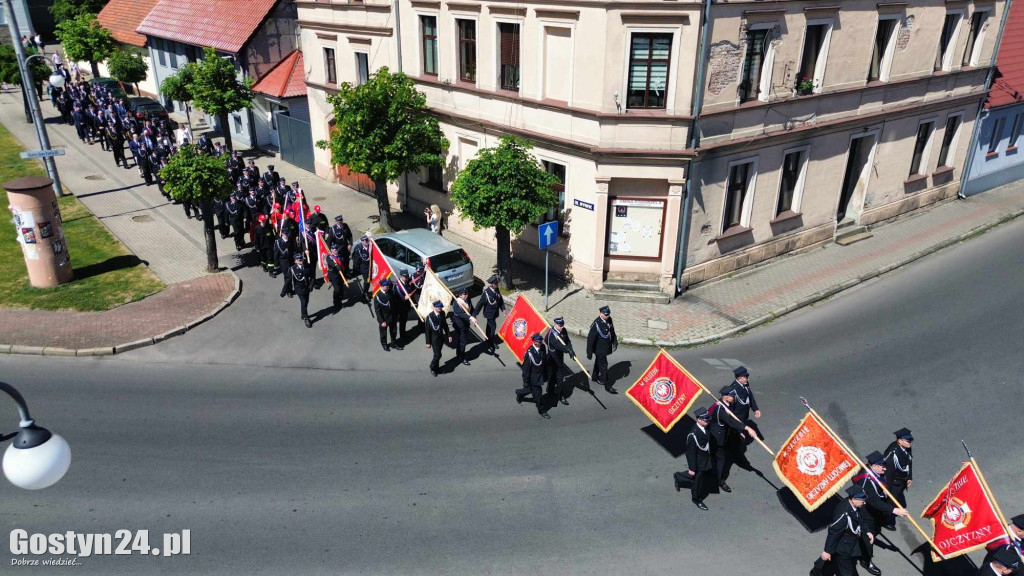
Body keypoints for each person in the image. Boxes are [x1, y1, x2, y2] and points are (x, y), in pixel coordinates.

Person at [854, 451, 910, 576]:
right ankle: (866, 560)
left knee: (875, 531)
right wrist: (894, 510)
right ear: (873, 466)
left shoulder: (876, 472)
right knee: (869, 537)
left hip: (876, 512)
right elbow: (873, 501)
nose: (885, 468)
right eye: (882, 466)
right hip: (866, 513)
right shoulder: (865, 480)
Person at [811, 486, 873, 576]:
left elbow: (860, 519)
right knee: (846, 572)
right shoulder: (844, 514)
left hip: (850, 541)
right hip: (843, 546)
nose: (864, 503)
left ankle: (817, 571)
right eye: (862, 500)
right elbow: (834, 532)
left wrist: (867, 531)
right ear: (853, 499)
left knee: (831, 562)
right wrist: (827, 551)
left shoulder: (855, 505)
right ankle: (818, 570)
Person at [707, 386, 756, 494]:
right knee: (720, 461)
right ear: (726, 397)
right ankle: (719, 481)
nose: (734, 397)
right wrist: (747, 428)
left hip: (725, 434)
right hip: (717, 439)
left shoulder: (728, 404)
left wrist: (739, 432)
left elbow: (733, 420)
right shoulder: (720, 410)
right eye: (732, 396)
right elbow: (731, 421)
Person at [674, 407, 714, 510]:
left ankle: (678, 476)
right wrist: (692, 468)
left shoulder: (705, 427)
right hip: (698, 461)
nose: (708, 421)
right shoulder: (693, 435)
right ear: (699, 420)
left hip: (705, 457)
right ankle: (696, 499)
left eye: (708, 419)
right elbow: (690, 453)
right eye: (706, 419)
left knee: (697, 476)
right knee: (697, 481)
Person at [882, 428, 913, 530]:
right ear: (900, 441)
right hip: (894, 482)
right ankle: (888, 521)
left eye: (910, 440)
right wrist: (887, 489)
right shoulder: (892, 453)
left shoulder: (906, 447)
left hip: (901, 481)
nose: (910, 443)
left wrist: (909, 476)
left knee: (901, 503)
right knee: (892, 502)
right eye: (908, 441)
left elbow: (909, 461)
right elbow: (888, 473)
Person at [516, 334, 550, 419]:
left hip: (540, 375)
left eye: (540, 341)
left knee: (529, 390)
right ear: (534, 342)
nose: (540, 343)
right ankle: (541, 410)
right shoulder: (529, 353)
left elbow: (544, 360)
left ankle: (519, 393)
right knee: (538, 394)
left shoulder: (542, 347)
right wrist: (526, 382)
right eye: (537, 342)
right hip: (533, 377)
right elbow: (526, 369)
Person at [586, 305, 618, 394]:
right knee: (604, 366)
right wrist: (589, 353)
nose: (607, 316)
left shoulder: (609, 319)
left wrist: (615, 341)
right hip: (599, 349)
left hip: (605, 347)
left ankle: (595, 376)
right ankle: (607, 385)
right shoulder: (596, 324)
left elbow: (612, 331)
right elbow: (590, 339)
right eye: (606, 314)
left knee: (598, 362)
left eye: (608, 314)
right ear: (601, 313)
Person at [544, 317, 575, 406]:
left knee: (554, 376)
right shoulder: (551, 334)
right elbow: (559, 346)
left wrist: (571, 350)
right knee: (559, 377)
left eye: (562, 325)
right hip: (553, 359)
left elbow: (567, 341)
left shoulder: (563, 330)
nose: (561, 327)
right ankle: (560, 396)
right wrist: (568, 350)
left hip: (559, 358)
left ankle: (550, 389)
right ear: (555, 324)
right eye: (559, 325)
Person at [472, 275, 504, 353]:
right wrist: (474, 314)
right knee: (493, 327)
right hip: (489, 313)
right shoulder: (486, 293)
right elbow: (480, 304)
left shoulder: (496, 289)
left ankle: (487, 338)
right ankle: (491, 342)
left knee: (489, 326)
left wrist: (503, 308)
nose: (497, 285)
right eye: (496, 284)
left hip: (495, 312)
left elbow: (500, 299)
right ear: (492, 284)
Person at [425, 301, 451, 377]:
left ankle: (437, 368)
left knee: (438, 354)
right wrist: (428, 342)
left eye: (441, 307)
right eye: (439, 307)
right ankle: (432, 367)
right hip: (434, 339)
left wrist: (449, 335)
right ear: (434, 308)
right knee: (438, 355)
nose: (440, 308)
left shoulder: (442, 313)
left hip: (441, 338)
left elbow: (445, 325)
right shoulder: (429, 317)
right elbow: (427, 331)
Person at [374, 279, 402, 351]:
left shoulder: (390, 293)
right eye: (386, 286)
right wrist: (381, 321)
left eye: (388, 286)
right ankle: (384, 344)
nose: (388, 287)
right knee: (383, 333)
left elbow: (394, 305)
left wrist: (397, 315)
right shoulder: (378, 296)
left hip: (392, 317)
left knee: (394, 331)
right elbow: (377, 311)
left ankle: (393, 343)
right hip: (384, 318)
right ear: (382, 286)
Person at [450, 288, 476, 366]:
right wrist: (470, 318)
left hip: (466, 323)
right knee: (463, 341)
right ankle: (462, 357)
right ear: (460, 295)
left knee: (461, 340)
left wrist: (474, 317)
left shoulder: (468, 300)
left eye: (467, 294)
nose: (466, 296)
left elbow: (472, 309)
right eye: (464, 294)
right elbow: (459, 313)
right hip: (459, 324)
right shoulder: (456, 302)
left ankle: (459, 354)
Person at [287, 254, 313, 328]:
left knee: (306, 301)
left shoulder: (306, 266)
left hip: (306, 288)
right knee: (303, 302)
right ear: (295, 261)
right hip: (298, 288)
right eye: (299, 260)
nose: (301, 260)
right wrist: (286, 291)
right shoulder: (293, 269)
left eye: (301, 259)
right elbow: (288, 280)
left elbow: (312, 276)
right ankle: (306, 317)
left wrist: (311, 286)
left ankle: (303, 314)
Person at [325, 243, 347, 309]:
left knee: (341, 288)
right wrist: (335, 265)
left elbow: (343, 262)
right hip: (333, 276)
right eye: (334, 249)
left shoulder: (339, 255)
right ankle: (336, 302)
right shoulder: (329, 257)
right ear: (331, 250)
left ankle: (340, 298)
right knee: (337, 289)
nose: (335, 250)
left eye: (336, 249)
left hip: (341, 275)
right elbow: (330, 263)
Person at [395, 270, 415, 341]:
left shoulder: (406, 282)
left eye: (407, 277)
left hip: (406, 306)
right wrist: (405, 297)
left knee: (405, 320)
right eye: (405, 277)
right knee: (402, 321)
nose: (406, 278)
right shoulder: (398, 285)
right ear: (401, 276)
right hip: (401, 306)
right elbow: (400, 296)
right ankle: (402, 335)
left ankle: (404, 332)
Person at [352, 236, 372, 302]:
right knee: (367, 281)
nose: (367, 242)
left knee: (371, 280)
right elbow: (356, 260)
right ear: (362, 242)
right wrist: (356, 269)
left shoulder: (371, 247)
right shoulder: (359, 249)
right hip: (364, 267)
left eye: (367, 241)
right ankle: (365, 293)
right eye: (366, 241)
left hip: (371, 266)